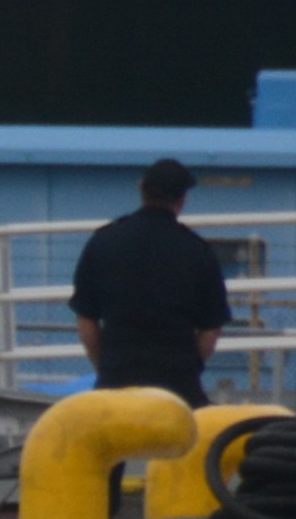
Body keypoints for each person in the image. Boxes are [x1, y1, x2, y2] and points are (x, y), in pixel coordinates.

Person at [71, 157, 232, 407]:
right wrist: (189, 369)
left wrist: (105, 368)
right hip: (178, 388)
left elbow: (86, 320)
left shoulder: (103, 242)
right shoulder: (197, 250)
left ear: (141, 189)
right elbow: (211, 329)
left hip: (116, 382)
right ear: (182, 200)